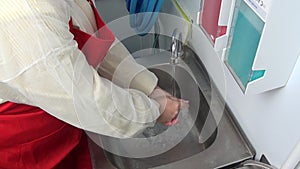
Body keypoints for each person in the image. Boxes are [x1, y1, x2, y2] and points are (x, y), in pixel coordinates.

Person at [0, 0, 188, 168]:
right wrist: (154, 110)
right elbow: (87, 99)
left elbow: (92, 38)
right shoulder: (28, 12)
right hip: (26, 145)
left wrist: (148, 88)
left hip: (66, 122)